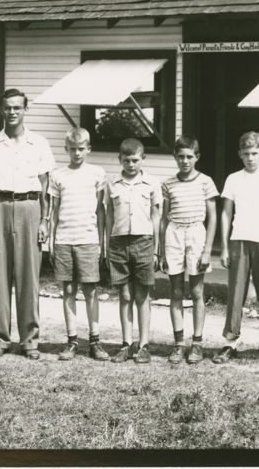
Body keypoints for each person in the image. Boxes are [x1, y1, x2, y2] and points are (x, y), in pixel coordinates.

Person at [0, 87, 56, 359]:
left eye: (17, 107)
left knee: (28, 277)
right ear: (1, 110)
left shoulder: (40, 143)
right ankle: (0, 339)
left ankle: (30, 341)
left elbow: (46, 186)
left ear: (25, 109)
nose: (12, 112)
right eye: (7, 107)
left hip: (30, 208)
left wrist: (45, 221)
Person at [212, 131, 259, 365]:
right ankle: (230, 342)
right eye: (246, 154)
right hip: (239, 240)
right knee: (236, 291)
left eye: (255, 153)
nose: (250, 158)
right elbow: (225, 214)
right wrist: (223, 247)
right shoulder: (233, 179)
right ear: (240, 155)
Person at [157, 134, 218, 365]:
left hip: (196, 233)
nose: (185, 161)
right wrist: (161, 250)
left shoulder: (206, 181)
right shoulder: (168, 184)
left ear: (197, 157)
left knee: (197, 292)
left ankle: (198, 343)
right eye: (180, 156)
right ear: (175, 157)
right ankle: (179, 343)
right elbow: (163, 219)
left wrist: (207, 250)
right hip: (174, 233)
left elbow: (212, 218)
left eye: (189, 157)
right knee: (175, 292)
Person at [49, 127, 109, 361]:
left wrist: (101, 242)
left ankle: (95, 340)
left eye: (81, 149)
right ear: (66, 149)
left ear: (88, 149)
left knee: (90, 290)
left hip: (88, 240)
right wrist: (52, 243)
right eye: (72, 149)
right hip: (64, 239)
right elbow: (54, 211)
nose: (76, 153)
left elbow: (100, 211)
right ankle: (72, 340)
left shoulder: (97, 173)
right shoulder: (58, 175)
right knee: (68, 291)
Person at [106, 137, 162, 364]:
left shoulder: (151, 184)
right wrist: (107, 244)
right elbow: (109, 215)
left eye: (135, 160)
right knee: (125, 295)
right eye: (126, 160)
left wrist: (157, 249)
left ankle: (144, 344)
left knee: (142, 295)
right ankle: (126, 344)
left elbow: (156, 217)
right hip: (119, 243)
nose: (131, 164)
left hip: (144, 242)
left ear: (143, 160)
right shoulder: (112, 184)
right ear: (120, 159)